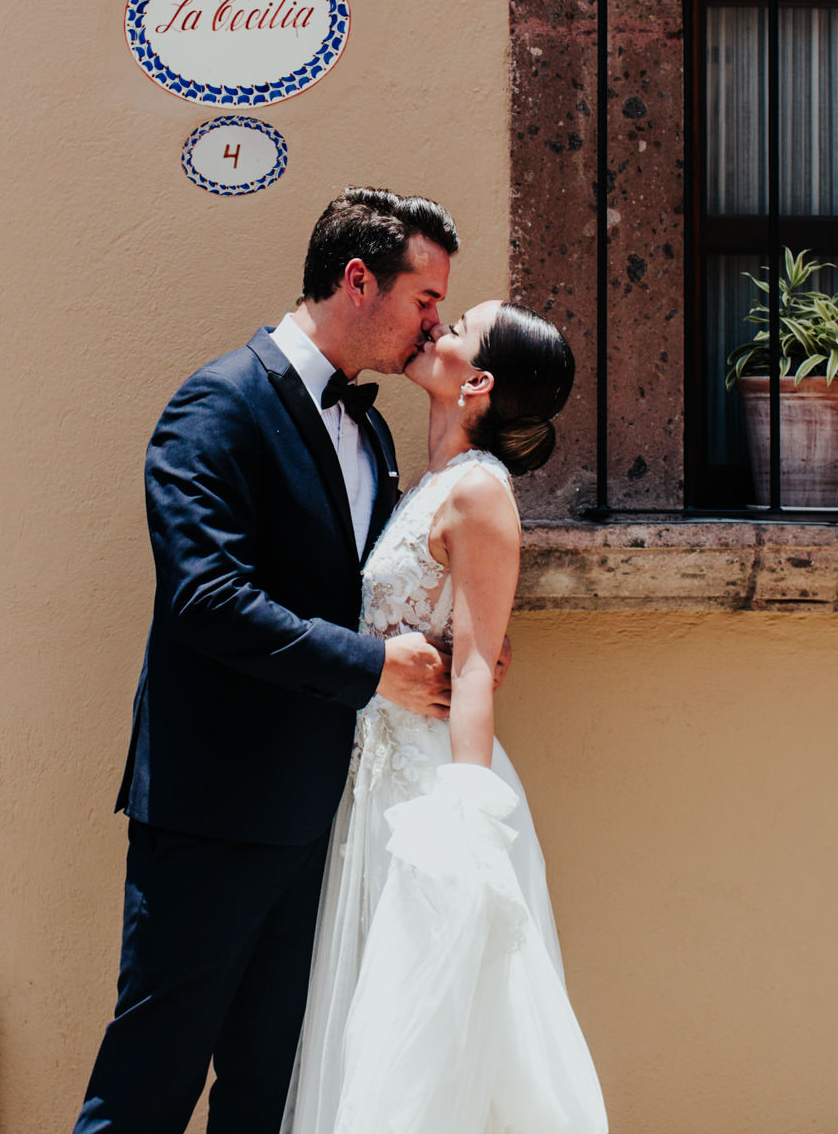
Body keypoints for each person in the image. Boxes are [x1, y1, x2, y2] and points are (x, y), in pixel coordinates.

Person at [74, 188, 481, 1134]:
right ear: (356, 280)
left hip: (320, 817)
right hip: (211, 815)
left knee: (274, 1094)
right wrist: (374, 668)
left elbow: (370, 591)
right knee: (147, 1087)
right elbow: (205, 598)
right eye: (425, 299)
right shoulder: (218, 404)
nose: (432, 323)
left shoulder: (371, 430)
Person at [284, 300, 607, 1134]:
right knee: (378, 1013)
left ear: (480, 382)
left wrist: (467, 817)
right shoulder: (425, 483)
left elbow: (473, 669)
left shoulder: (478, 493)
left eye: (455, 324)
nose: (434, 328)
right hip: (377, 774)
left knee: (432, 1027)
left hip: (433, 789)